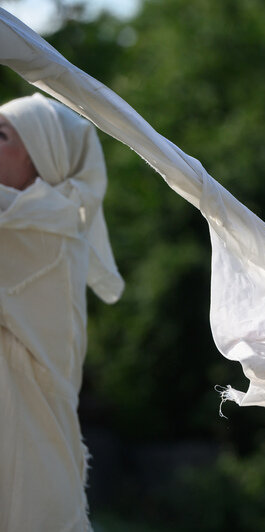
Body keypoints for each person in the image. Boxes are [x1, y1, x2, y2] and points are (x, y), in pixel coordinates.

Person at [0, 93, 123, 532]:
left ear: (40, 162)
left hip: (26, 444)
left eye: (1, 135)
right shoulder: (41, 221)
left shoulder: (45, 228)